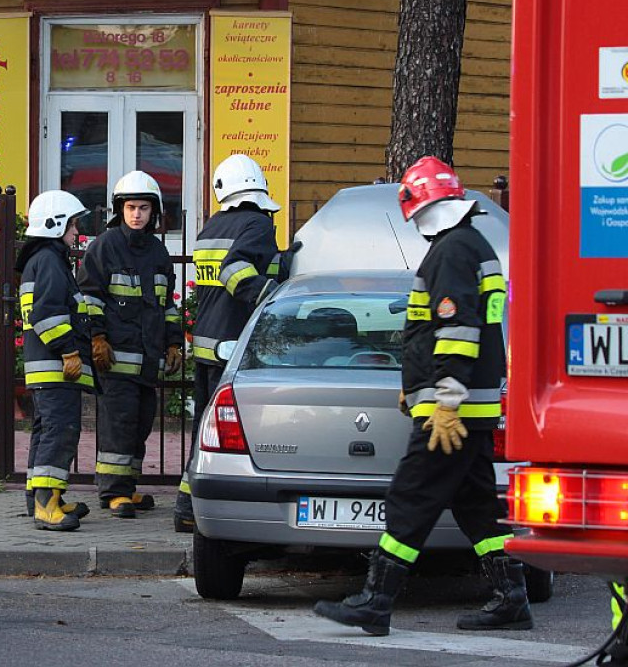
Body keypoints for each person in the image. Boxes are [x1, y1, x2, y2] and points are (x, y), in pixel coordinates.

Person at [314, 156, 532, 635]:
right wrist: (413, 385)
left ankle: (376, 600)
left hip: (449, 411)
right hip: (467, 403)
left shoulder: (452, 251)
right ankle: (512, 596)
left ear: (418, 208)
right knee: (476, 504)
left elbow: (456, 330)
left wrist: (444, 398)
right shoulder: (474, 245)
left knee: (410, 497)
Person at [173, 153, 299, 533]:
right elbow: (236, 270)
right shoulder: (257, 223)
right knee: (225, 433)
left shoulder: (212, 226)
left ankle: (185, 505)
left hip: (207, 341)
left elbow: (238, 266)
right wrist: (271, 296)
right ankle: (198, 507)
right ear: (259, 189)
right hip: (232, 342)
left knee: (203, 428)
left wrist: (284, 261)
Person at [77, 171, 183, 518]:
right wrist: (96, 338)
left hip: (148, 363)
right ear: (119, 210)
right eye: (131, 207)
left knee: (139, 425)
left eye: (143, 208)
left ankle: (129, 487)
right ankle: (113, 493)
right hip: (116, 361)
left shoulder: (157, 252)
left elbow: (167, 305)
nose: (137, 214)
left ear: (154, 212)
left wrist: (173, 344)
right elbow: (89, 298)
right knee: (118, 426)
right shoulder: (104, 247)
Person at [16, 190, 94, 531]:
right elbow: (48, 314)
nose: (77, 233)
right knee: (60, 431)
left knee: (45, 430)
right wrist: (69, 350)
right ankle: (48, 506)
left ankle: (41, 498)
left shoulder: (42, 260)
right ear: (56, 224)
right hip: (55, 366)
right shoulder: (49, 260)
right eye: (73, 225)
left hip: (43, 366)